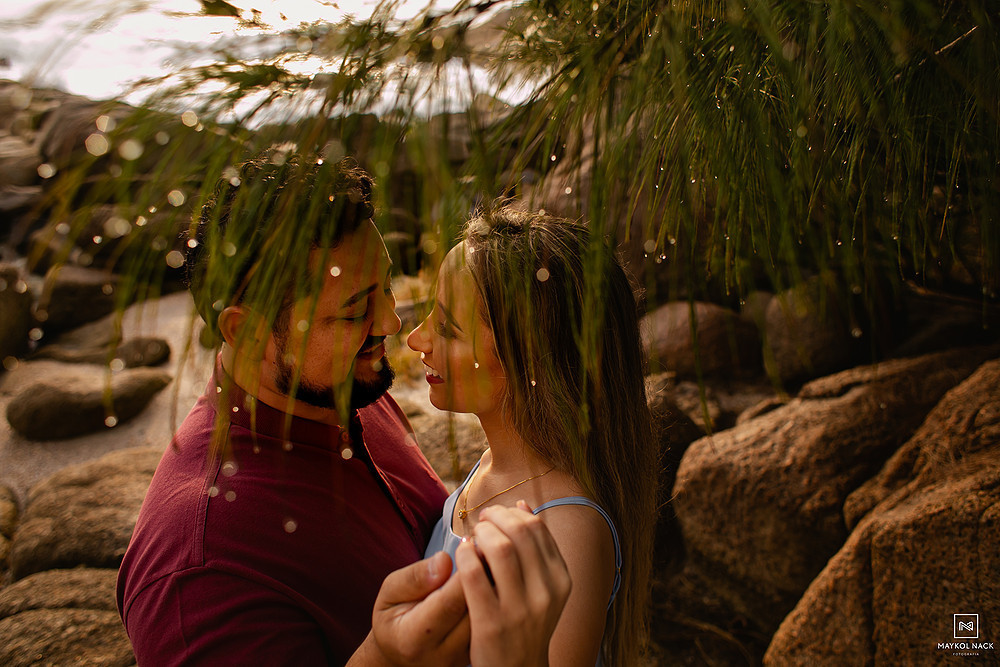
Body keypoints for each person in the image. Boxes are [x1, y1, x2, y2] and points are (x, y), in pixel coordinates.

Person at [116, 155, 571, 666]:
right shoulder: (201, 570)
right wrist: (383, 656)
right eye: (356, 310)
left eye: (388, 286)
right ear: (247, 333)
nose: (392, 323)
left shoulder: (347, 392)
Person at [407, 207, 660, 666]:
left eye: (447, 328)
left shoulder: (566, 533)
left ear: (526, 358)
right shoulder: (498, 463)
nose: (416, 340)